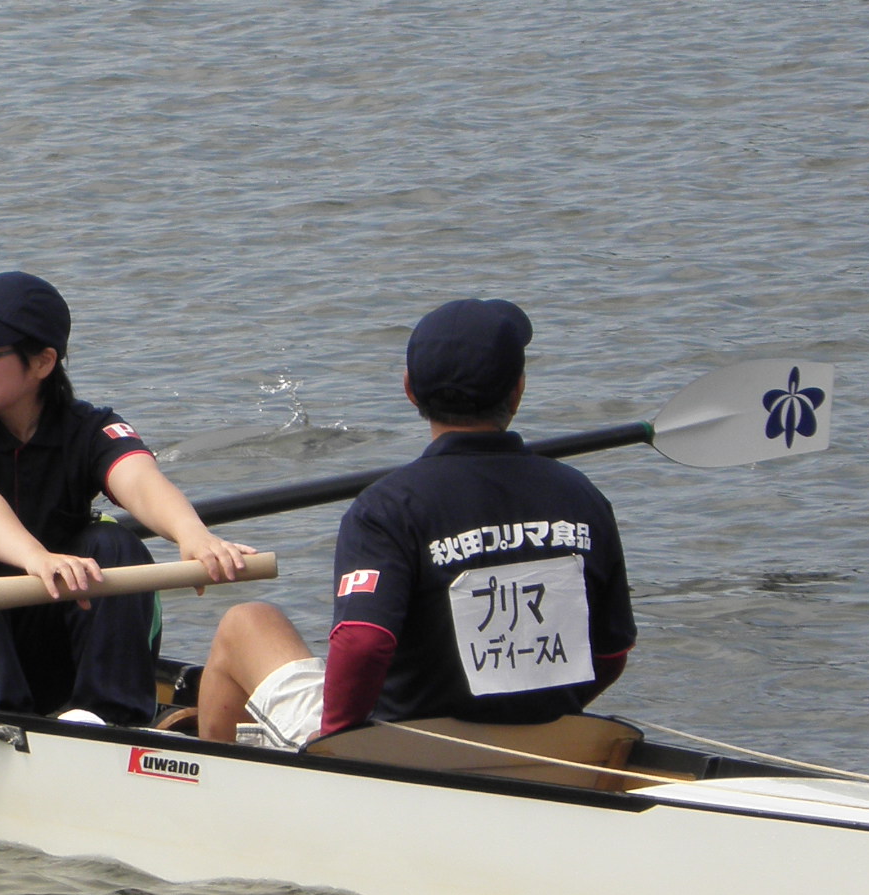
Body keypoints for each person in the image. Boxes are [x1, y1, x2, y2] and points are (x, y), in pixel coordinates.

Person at [195, 298, 635, 746]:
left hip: (404, 754)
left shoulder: (386, 509)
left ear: (409, 390)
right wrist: (543, 711)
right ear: (518, 390)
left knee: (246, 622)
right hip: (552, 744)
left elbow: (364, 642)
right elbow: (611, 652)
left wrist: (338, 744)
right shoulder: (582, 497)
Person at [0, 272, 248, 726]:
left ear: (41, 363)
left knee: (115, 545)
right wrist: (37, 557)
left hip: (20, 638)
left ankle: (108, 719)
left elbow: (138, 479)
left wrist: (194, 537)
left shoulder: (87, 426)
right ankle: (3, 725)